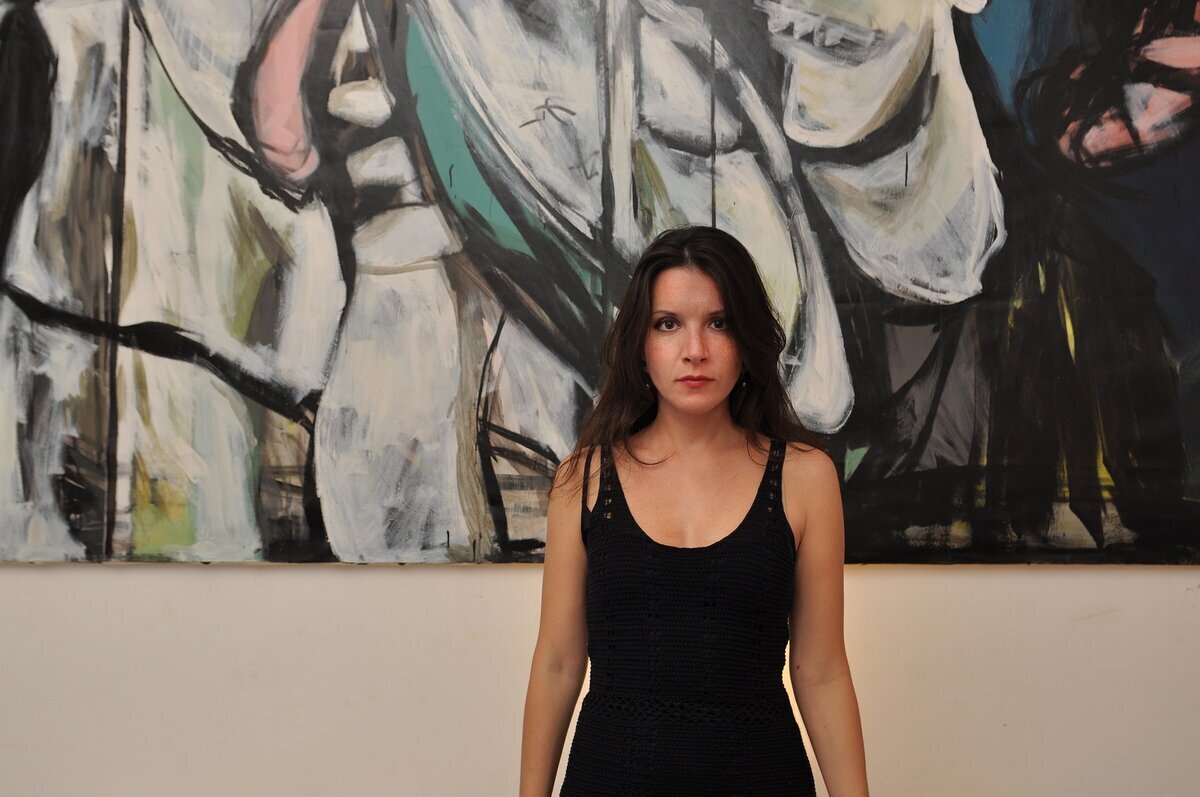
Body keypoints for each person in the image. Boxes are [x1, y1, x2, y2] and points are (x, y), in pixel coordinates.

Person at [519, 226, 869, 796]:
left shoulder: (805, 478)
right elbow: (558, 663)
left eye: (719, 323)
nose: (695, 350)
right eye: (668, 324)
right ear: (640, 343)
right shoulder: (582, 481)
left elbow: (822, 671)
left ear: (747, 339)